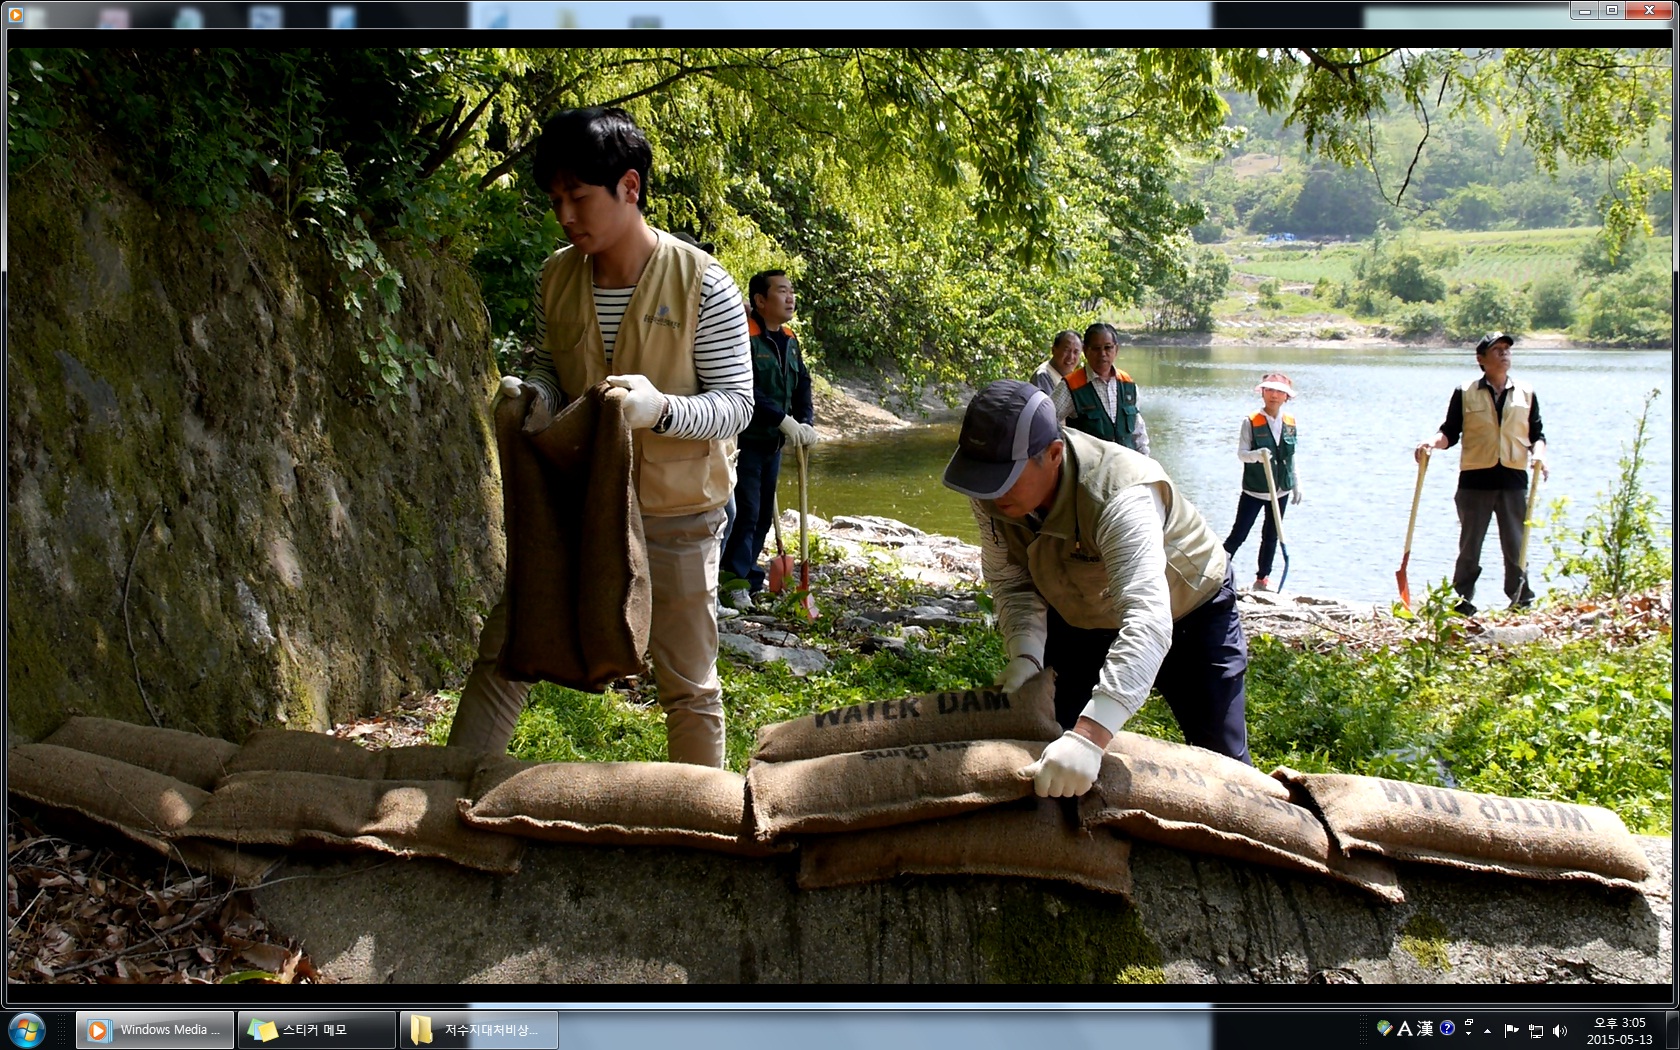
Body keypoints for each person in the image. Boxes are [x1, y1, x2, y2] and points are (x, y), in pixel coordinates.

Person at [449, 107, 754, 767]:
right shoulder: (555, 277)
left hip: (679, 513)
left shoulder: (707, 282)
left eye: (578, 197)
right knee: (508, 648)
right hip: (580, 505)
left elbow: (736, 407)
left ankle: (699, 822)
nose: (565, 214)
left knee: (688, 681)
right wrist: (534, 396)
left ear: (630, 188)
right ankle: (452, 786)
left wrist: (659, 410)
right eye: (556, 199)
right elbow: (548, 365)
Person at [943, 380, 1251, 799]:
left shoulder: (1119, 494)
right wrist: (1025, 654)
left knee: (1225, 763)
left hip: (1191, 610)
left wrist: (1092, 735)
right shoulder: (991, 486)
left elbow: (1148, 620)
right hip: (1081, 611)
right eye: (982, 479)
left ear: (1053, 455)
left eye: (1004, 479)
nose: (990, 497)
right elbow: (1011, 579)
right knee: (1053, 741)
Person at [1415, 331, 1548, 616]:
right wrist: (1431, 444)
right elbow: (1450, 432)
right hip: (1475, 480)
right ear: (1481, 359)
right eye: (1497, 349)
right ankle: (1460, 601)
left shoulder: (1526, 392)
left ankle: (1521, 601)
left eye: (1506, 349)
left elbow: (1538, 435)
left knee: (1516, 546)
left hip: (1513, 480)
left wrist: (1539, 456)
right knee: (1470, 546)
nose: (1504, 353)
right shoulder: (1465, 392)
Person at [719, 270, 817, 607]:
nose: (790, 298)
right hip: (746, 441)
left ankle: (747, 575)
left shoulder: (789, 339)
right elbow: (748, 389)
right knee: (745, 512)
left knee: (762, 515)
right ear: (761, 301)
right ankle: (732, 581)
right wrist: (782, 419)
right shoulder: (744, 338)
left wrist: (805, 421)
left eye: (791, 291)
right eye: (781, 291)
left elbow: (802, 383)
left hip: (773, 445)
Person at [1222, 372, 1303, 592]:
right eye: (1270, 390)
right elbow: (1242, 453)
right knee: (1240, 532)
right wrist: (1257, 454)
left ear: (1286, 396)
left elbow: (1290, 455)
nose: (1274, 396)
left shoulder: (1290, 422)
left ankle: (1262, 579)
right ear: (1262, 393)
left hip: (1280, 490)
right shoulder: (1251, 421)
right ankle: (1218, 571)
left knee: (1272, 535)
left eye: (1279, 392)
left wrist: (1296, 482)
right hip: (1255, 489)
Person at [1050, 322, 1151, 455]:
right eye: (1096, 348)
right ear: (1086, 351)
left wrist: (1146, 463)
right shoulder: (1072, 385)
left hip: (1127, 469)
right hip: (1089, 471)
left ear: (1116, 350)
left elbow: (1138, 432)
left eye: (1108, 348)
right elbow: (1045, 421)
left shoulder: (1128, 384)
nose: (1102, 353)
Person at [1030, 329, 1082, 395]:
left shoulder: (1071, 378)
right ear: (1053, 350)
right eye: (1067, 350)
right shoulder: (1043, 376)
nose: (1071, 357)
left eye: (1076, 352)